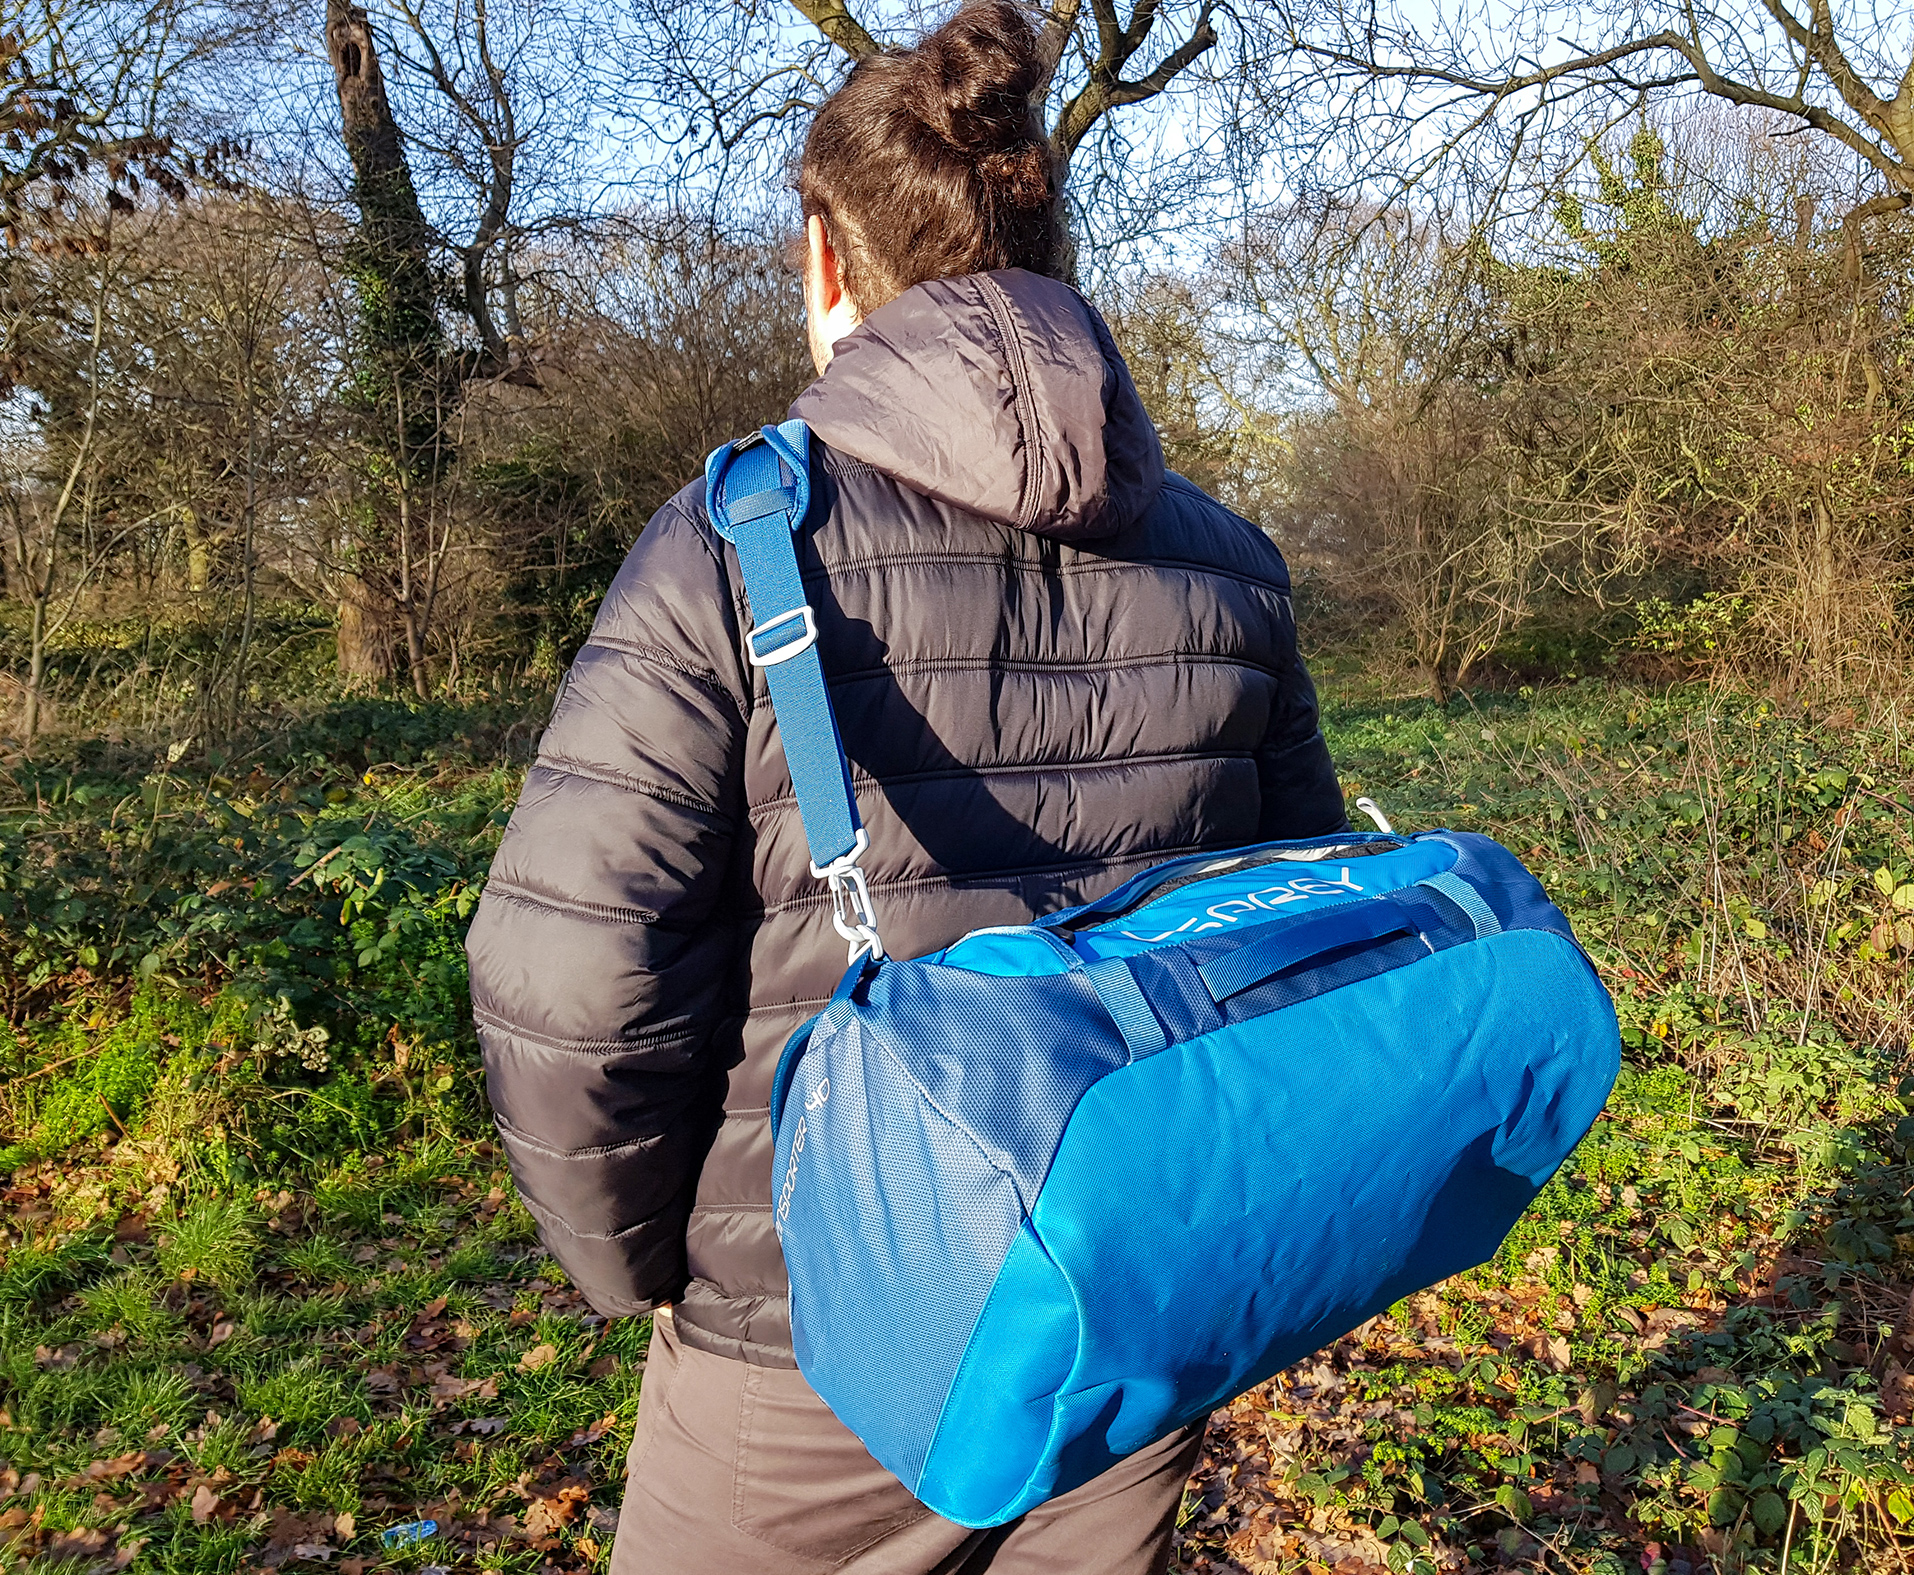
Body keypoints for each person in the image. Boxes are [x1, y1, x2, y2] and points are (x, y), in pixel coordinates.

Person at [463, 2, 1346, 1568]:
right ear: (1048, 250)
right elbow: (1291, 922)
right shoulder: (1230, 561)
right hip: (1122, 1294)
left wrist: (652, 1266)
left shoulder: (737, 546)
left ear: (825, 265)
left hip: (807, 1335)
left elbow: (570, 977)